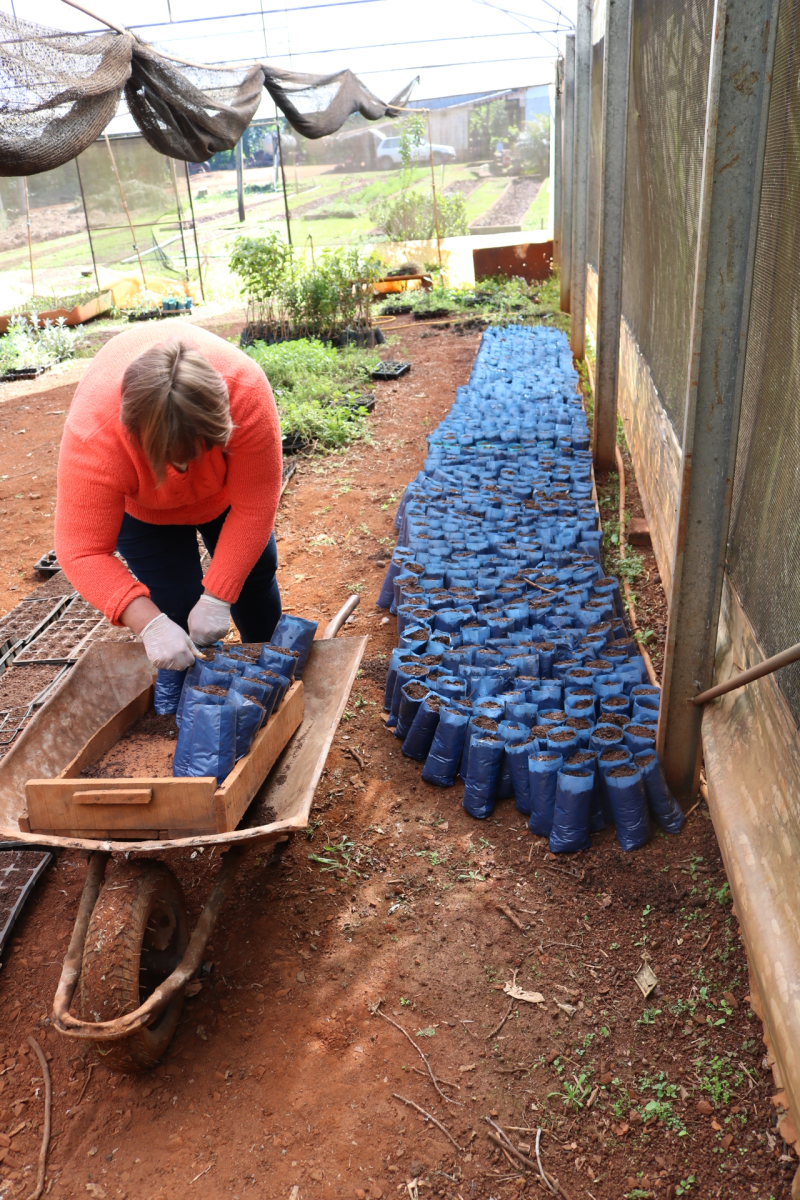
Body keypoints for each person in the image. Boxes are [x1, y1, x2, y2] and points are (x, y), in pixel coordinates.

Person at [55, 320, 283, 672]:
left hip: (223, 497)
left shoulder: (245, 391)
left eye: (198, 450)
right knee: (174, 604)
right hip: (144, 509)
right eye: (170, 458)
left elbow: (254, 505)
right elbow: (81, 550)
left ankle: (272, 672)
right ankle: (204, 698)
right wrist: (149, 623)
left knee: (254, 578)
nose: (184, 468)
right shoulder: (96, 435)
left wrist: (220, 595)